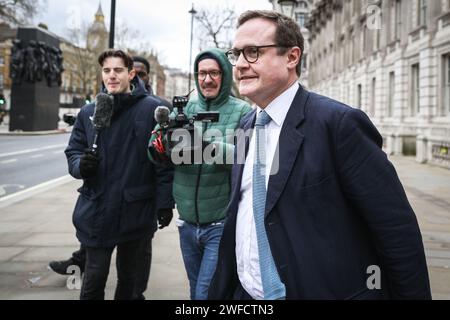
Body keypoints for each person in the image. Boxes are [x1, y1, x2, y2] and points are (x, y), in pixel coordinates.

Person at [208, 10, 431, 300]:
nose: (239, 65)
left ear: (292, 57)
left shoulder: (339, 124)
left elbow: (396, 230)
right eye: (235, 54)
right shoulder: (247, 126)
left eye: (252, 52)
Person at [49, 55, 172, 280]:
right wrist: (81, 165)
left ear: (131, 73)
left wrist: (165, 203)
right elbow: (73, 152)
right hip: (97, 211)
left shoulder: (153, 109)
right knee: (93, 281)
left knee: (130, 282)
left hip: (136, 212)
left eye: (118, 70)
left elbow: (162, 162)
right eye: (106, 71)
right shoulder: (88, 112)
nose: (112, 75)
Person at [148, 48, 251, 300]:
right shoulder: (181, 109)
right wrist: (160, 148)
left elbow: (246, 157)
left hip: (221, 223)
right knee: (196, 291)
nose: (207, 79)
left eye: (214, 73)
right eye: (202, 73)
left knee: (207, 293)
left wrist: (207, 146)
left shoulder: (242, 111)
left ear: (225, 75)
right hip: (186, 224)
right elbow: (154, 148)